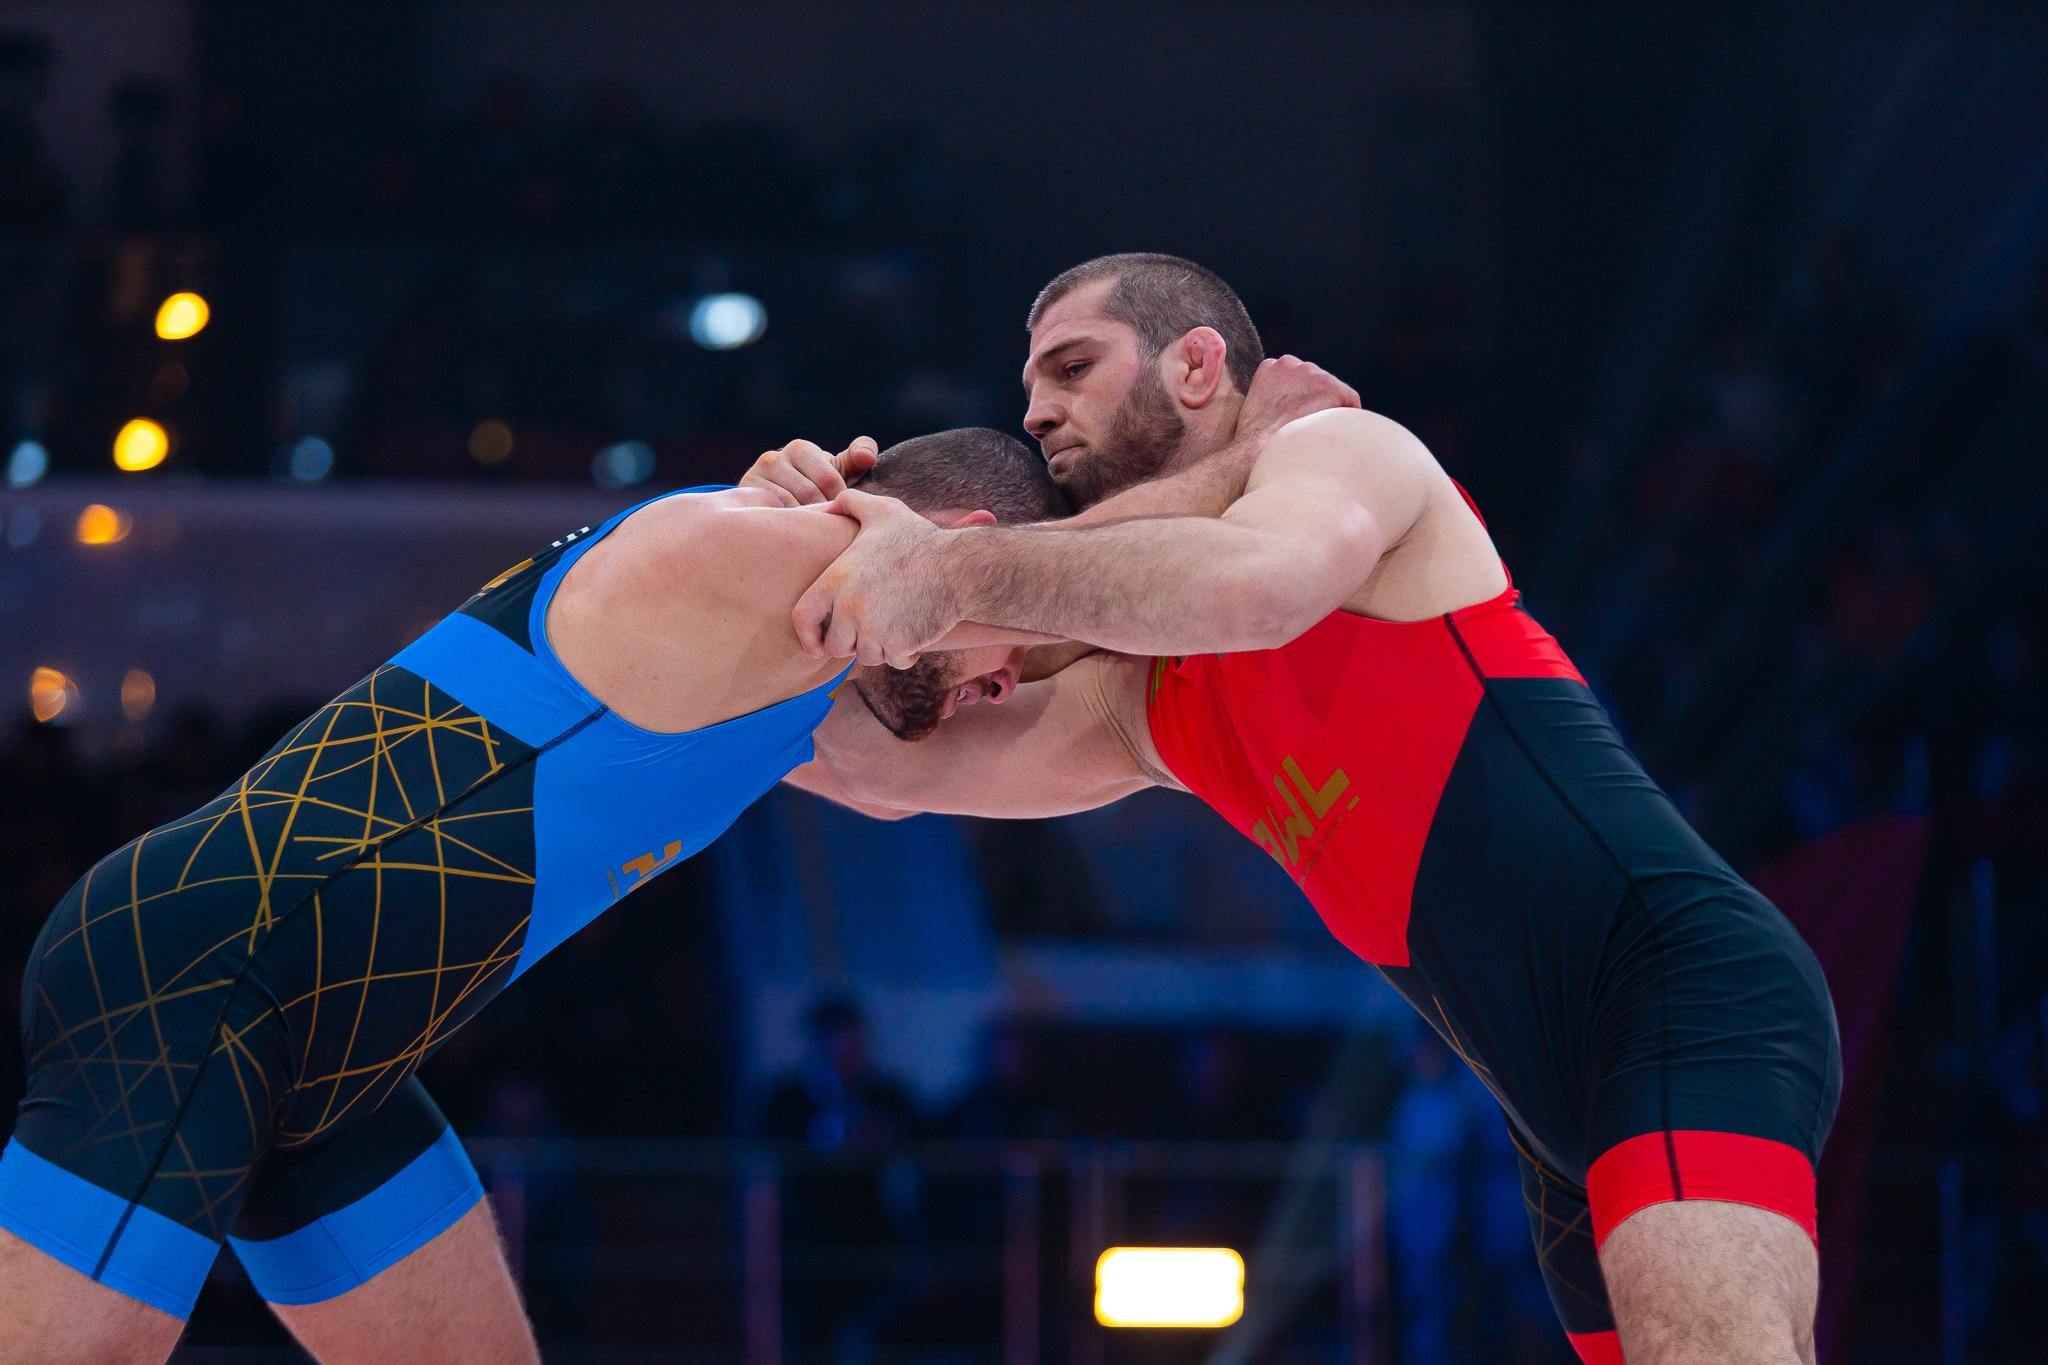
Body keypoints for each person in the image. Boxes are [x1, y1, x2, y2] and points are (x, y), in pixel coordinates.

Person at [751, 254, 1842, 1365]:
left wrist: (950, 574)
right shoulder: (1141, 702)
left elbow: (1253, 589)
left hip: (1676, 988)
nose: (1035, 408)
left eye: (1072, 365)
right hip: (1548, 1111)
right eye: (1031, 384)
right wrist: (753, 567)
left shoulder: (1339, 449)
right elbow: (870, 771)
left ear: (1194, 363)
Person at [0, 429, 1065, 1364]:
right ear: (960, 544)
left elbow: (1097, 746)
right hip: (193, 975)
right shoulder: (747, 555)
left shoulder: (810, 691)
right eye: (1023, 643)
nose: (1005, 685)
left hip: (332, 1061)